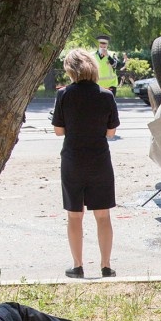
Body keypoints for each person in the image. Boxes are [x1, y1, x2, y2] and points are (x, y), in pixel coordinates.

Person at [52, 48, 119, 278]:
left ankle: (78, 265)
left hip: (72, 160)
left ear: (70, 70)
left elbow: (58, 131)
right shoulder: (106, 95)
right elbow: (111, 133)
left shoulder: (64, 95)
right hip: (99, 160)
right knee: (102, 216)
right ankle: (106, 266)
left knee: (74, 215)